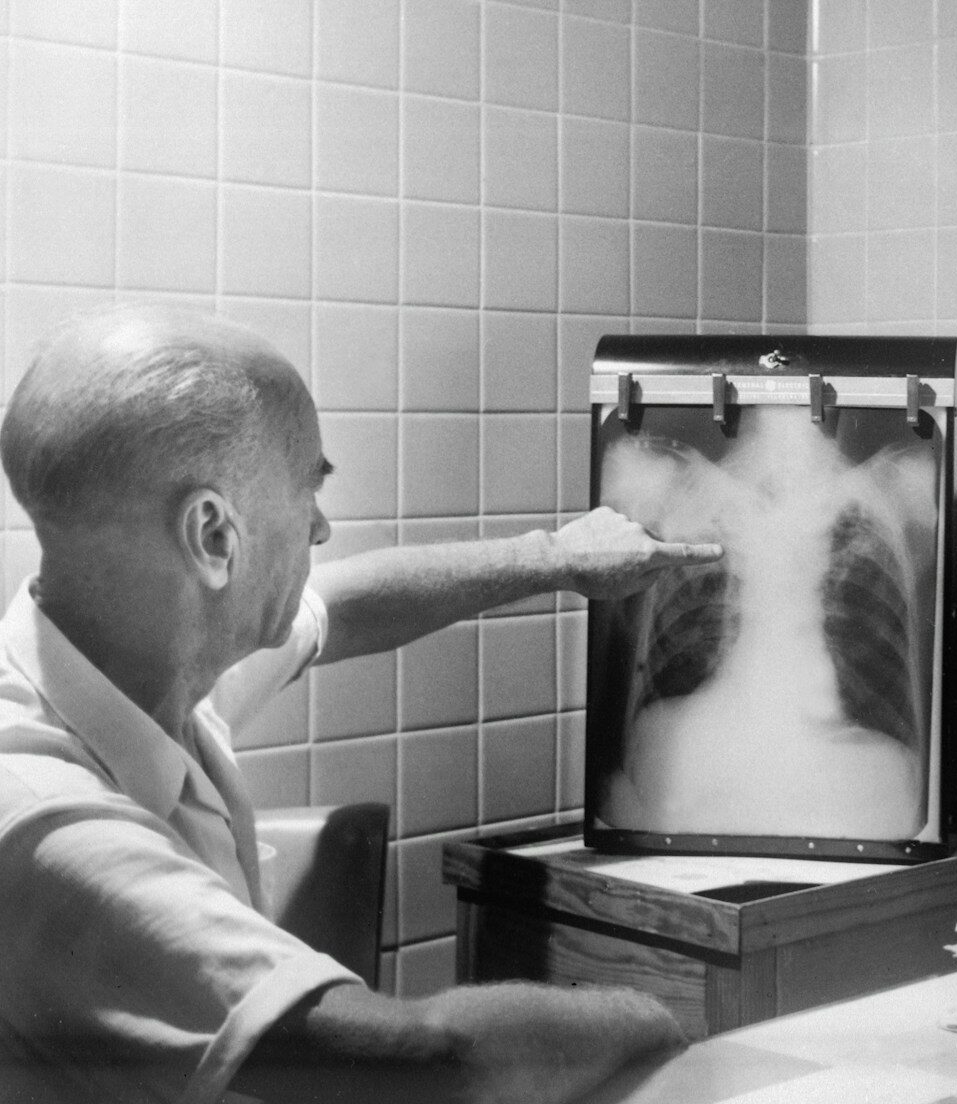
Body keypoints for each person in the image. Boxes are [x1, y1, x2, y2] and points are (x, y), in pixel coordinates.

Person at [0, 305, 724, 1102]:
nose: (320, 525)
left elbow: (342, 607)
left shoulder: (138, 657)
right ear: (213, 537)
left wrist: (557, 558)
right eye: (305, 488)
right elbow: (425, 1063)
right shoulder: (50, 825)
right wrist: (655, 1015)